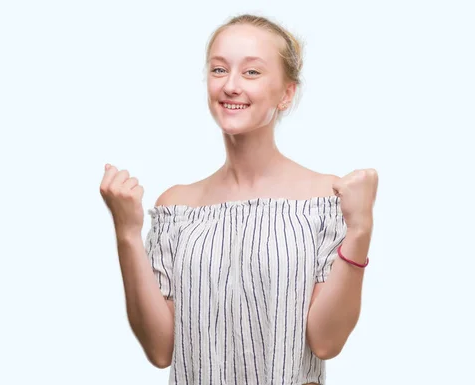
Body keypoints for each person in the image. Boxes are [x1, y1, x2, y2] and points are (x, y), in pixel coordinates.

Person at [100, 14, 378, 385]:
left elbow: (326, 342)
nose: (230, 85)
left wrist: (360, 228)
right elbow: (160, 349)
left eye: (251, 73)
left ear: (286, 93)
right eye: (218, 69)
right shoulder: (177, 209)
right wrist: (128, 233)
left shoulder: (326, 201)